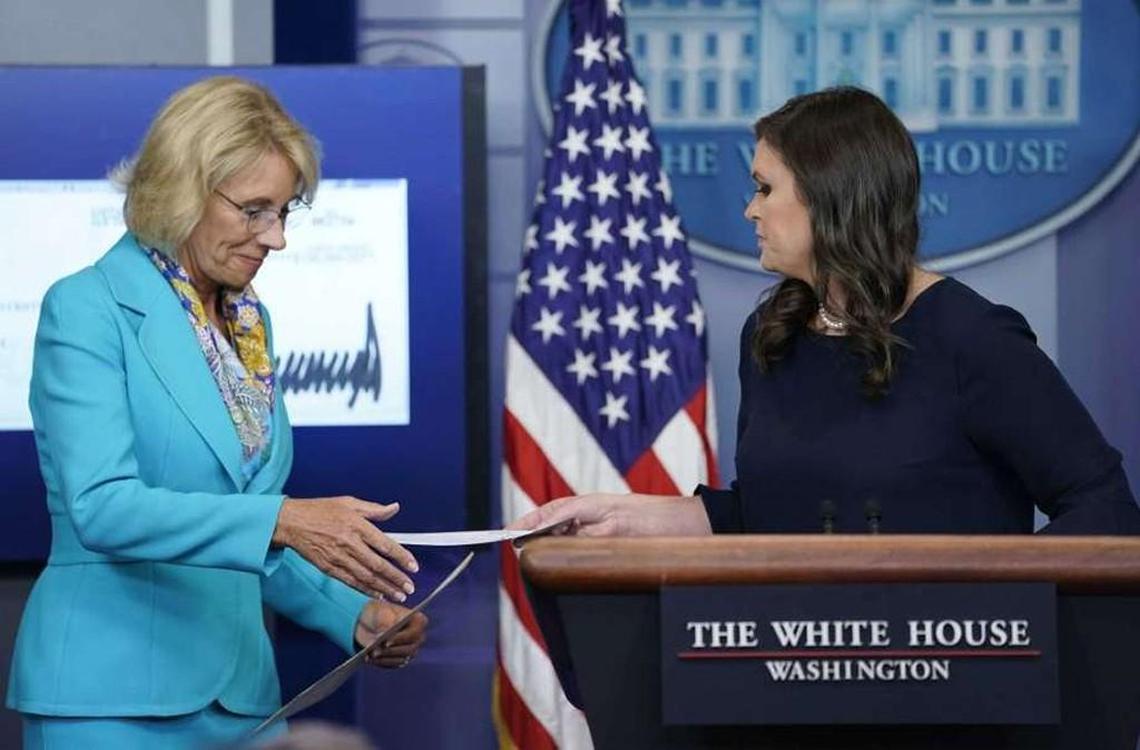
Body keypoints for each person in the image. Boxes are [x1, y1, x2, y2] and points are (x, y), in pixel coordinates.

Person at [512, 86, 1140, 539]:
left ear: (830, 196)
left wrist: (1000, 604)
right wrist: (616, 515)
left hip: (949, 700)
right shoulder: (773, 334)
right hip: (792, 691)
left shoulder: (972, 337)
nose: (749, 212)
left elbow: (1102, 504)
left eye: (764, 188)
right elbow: (766, 515)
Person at [7, 76, 427, 748]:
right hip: (111, 703)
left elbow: (247, 528)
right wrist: (288, 518)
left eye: (287, 211)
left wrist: (354, 616)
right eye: (255, 210)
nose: (277, 239)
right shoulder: (86, 307)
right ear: (183, 188)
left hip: (244, 708)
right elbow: (103, 507)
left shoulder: (249, 323)